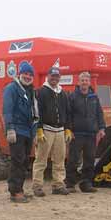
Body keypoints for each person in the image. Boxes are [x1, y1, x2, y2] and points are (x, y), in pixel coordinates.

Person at [32, 67, 72, 197]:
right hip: (46, 130)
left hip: (60, 131)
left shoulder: (63, 94)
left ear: (59, 78)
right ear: (48, 76)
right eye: (52, 76)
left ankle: (58, 185)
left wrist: (68, 128)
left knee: (60, 160)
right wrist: (38, 129)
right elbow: (36, 112)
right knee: (41, 159)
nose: (54, 78)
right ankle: (37, 186)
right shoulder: (40, 92)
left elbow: (67, 112)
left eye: (57, 76)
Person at [3, 61, 38, 203]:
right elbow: (7, 110)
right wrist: (10, 129)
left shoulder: (30, 91)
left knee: (24, 162)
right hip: (17, 130)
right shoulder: (11, 89)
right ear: (19, 74)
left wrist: (34, 133)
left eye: (30, 74)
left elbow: (34, 113)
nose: (28, 76)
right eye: (25, 73)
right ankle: (15, 192)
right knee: (17, 161)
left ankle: (20, 189)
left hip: (28, 132)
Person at [65, 72, 106, 193]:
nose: (84, 83)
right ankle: (70, 184)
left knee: (89, 159)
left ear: (89, 82)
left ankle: (86, 184)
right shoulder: (72, 97)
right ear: (78, 82)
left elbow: (99, 113)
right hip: (76, 134)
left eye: (86, 80)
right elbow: (68, 115)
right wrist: (69, 129)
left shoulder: (94, 97)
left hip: (91, 134)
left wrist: (102, 128)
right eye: (82, 80)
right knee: (73, 159)